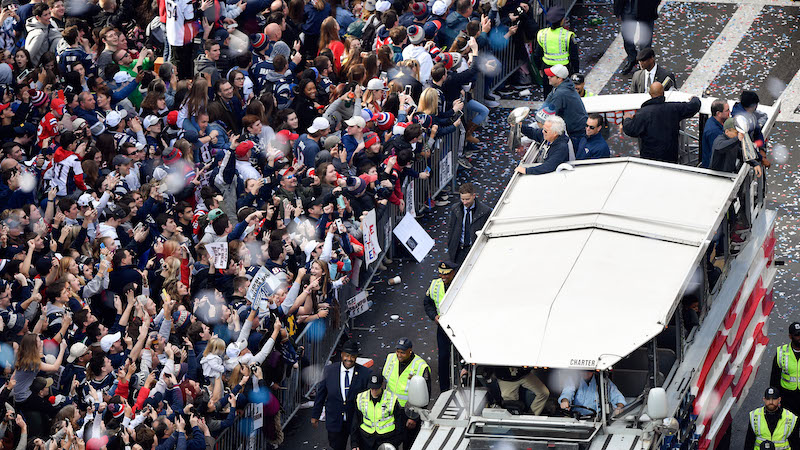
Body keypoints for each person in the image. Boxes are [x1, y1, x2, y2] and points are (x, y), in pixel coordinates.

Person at [311, 340, 372, 450]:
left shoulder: (365, 373)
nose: (349, 359)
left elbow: (369, 398)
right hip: (335, 421)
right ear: (341, 354)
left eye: (353, 356)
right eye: (347, 355)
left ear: (356, 357)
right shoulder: (329, 371)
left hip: (356, 421)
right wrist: (315, 415)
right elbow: (321, 394)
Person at [621, 82, 700, 163]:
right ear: (663, 93)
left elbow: (630, 130)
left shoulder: (643, 113)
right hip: (670, 156)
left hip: (649, 158)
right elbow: (693, 106)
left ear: (650, 94)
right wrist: (694, 98)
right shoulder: (673, 109)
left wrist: (627, 119)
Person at [382, 338, 430, 449]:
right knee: (391, 442)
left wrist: (414, 417)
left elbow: (424, 395)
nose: (399, 355)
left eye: (402, 352)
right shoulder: (391, 358)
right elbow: (385, 383)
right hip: (391, 410)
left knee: (409, 444)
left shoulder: (420, 366)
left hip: (409, 412)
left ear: (410, 351)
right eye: (397, 351)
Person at [423, 261, 458, 392]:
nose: (443, 277)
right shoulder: (435, 285)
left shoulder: (460, 283)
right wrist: (434, 316)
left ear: (453, 273)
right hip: (443, 327)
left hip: (459, 327)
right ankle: (444, 389)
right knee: (443, 357)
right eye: (441, 274)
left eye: (447, 274)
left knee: (461, 358)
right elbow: (427, 303)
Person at [534, 6, 579, 98]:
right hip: (564, 70)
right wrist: (575, 73)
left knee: (548, 96)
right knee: (565, 95)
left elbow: (537, 55)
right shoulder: (568, 36)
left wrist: (540, 68)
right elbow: (574, 58)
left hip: (547, 69)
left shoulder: (542, 34)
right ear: (562, 20)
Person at [350, 373, 403, 450]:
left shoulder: (391, 399)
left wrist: (395, 443)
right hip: (366, 440)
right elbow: (355, 422)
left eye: (376, 388)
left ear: (382, 385)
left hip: (387, 440)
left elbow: (399, 423)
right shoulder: (361, 398)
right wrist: (354, 443)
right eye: (372, 388)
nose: (374, 391)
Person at [541, 64, 587, 148]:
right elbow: (547, 102)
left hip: (575, 132)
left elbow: (550, 115)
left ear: (559, 78)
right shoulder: (562, 86)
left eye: (551, 76)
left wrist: (541, 123)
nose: (548, 77)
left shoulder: (561, 93)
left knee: (576, 156)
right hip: (578, 128)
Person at [446, 183, 491, 265]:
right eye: (462, 199)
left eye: (467, 199)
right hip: (459, 250)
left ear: (474, 196)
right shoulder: (455, 209)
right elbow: (451, 228)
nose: (464, 202)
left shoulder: (485, 211)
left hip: (475, 249)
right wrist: (451, 245)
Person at [615, 0, 659, 74]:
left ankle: (644, 62)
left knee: (646, 39)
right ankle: (632, 58)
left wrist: (653, 5)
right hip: (628, 6)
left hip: (647, 7)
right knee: (627, 36)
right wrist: (617, 9)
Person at [559, 370, 626, 417]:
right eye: (583, 371)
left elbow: (617, 396)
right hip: (575, 418)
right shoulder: (573, 380)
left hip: (596, 419)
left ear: (593, 371)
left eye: (588, 371)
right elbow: (567, 392)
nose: (585, 373)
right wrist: (565, 401)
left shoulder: (602, 381)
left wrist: (619, 407)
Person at [771, 323, 800, 416]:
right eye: (797, 335)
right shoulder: (781, 353)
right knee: (790, 426)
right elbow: (774, 377)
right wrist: (774, 398)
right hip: (788, 397)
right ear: (790, 336)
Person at [702, 99, 730, 169]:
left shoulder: (712, 120)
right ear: (718, 114)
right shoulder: (714, 132)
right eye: (727, 110)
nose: (730, 112)